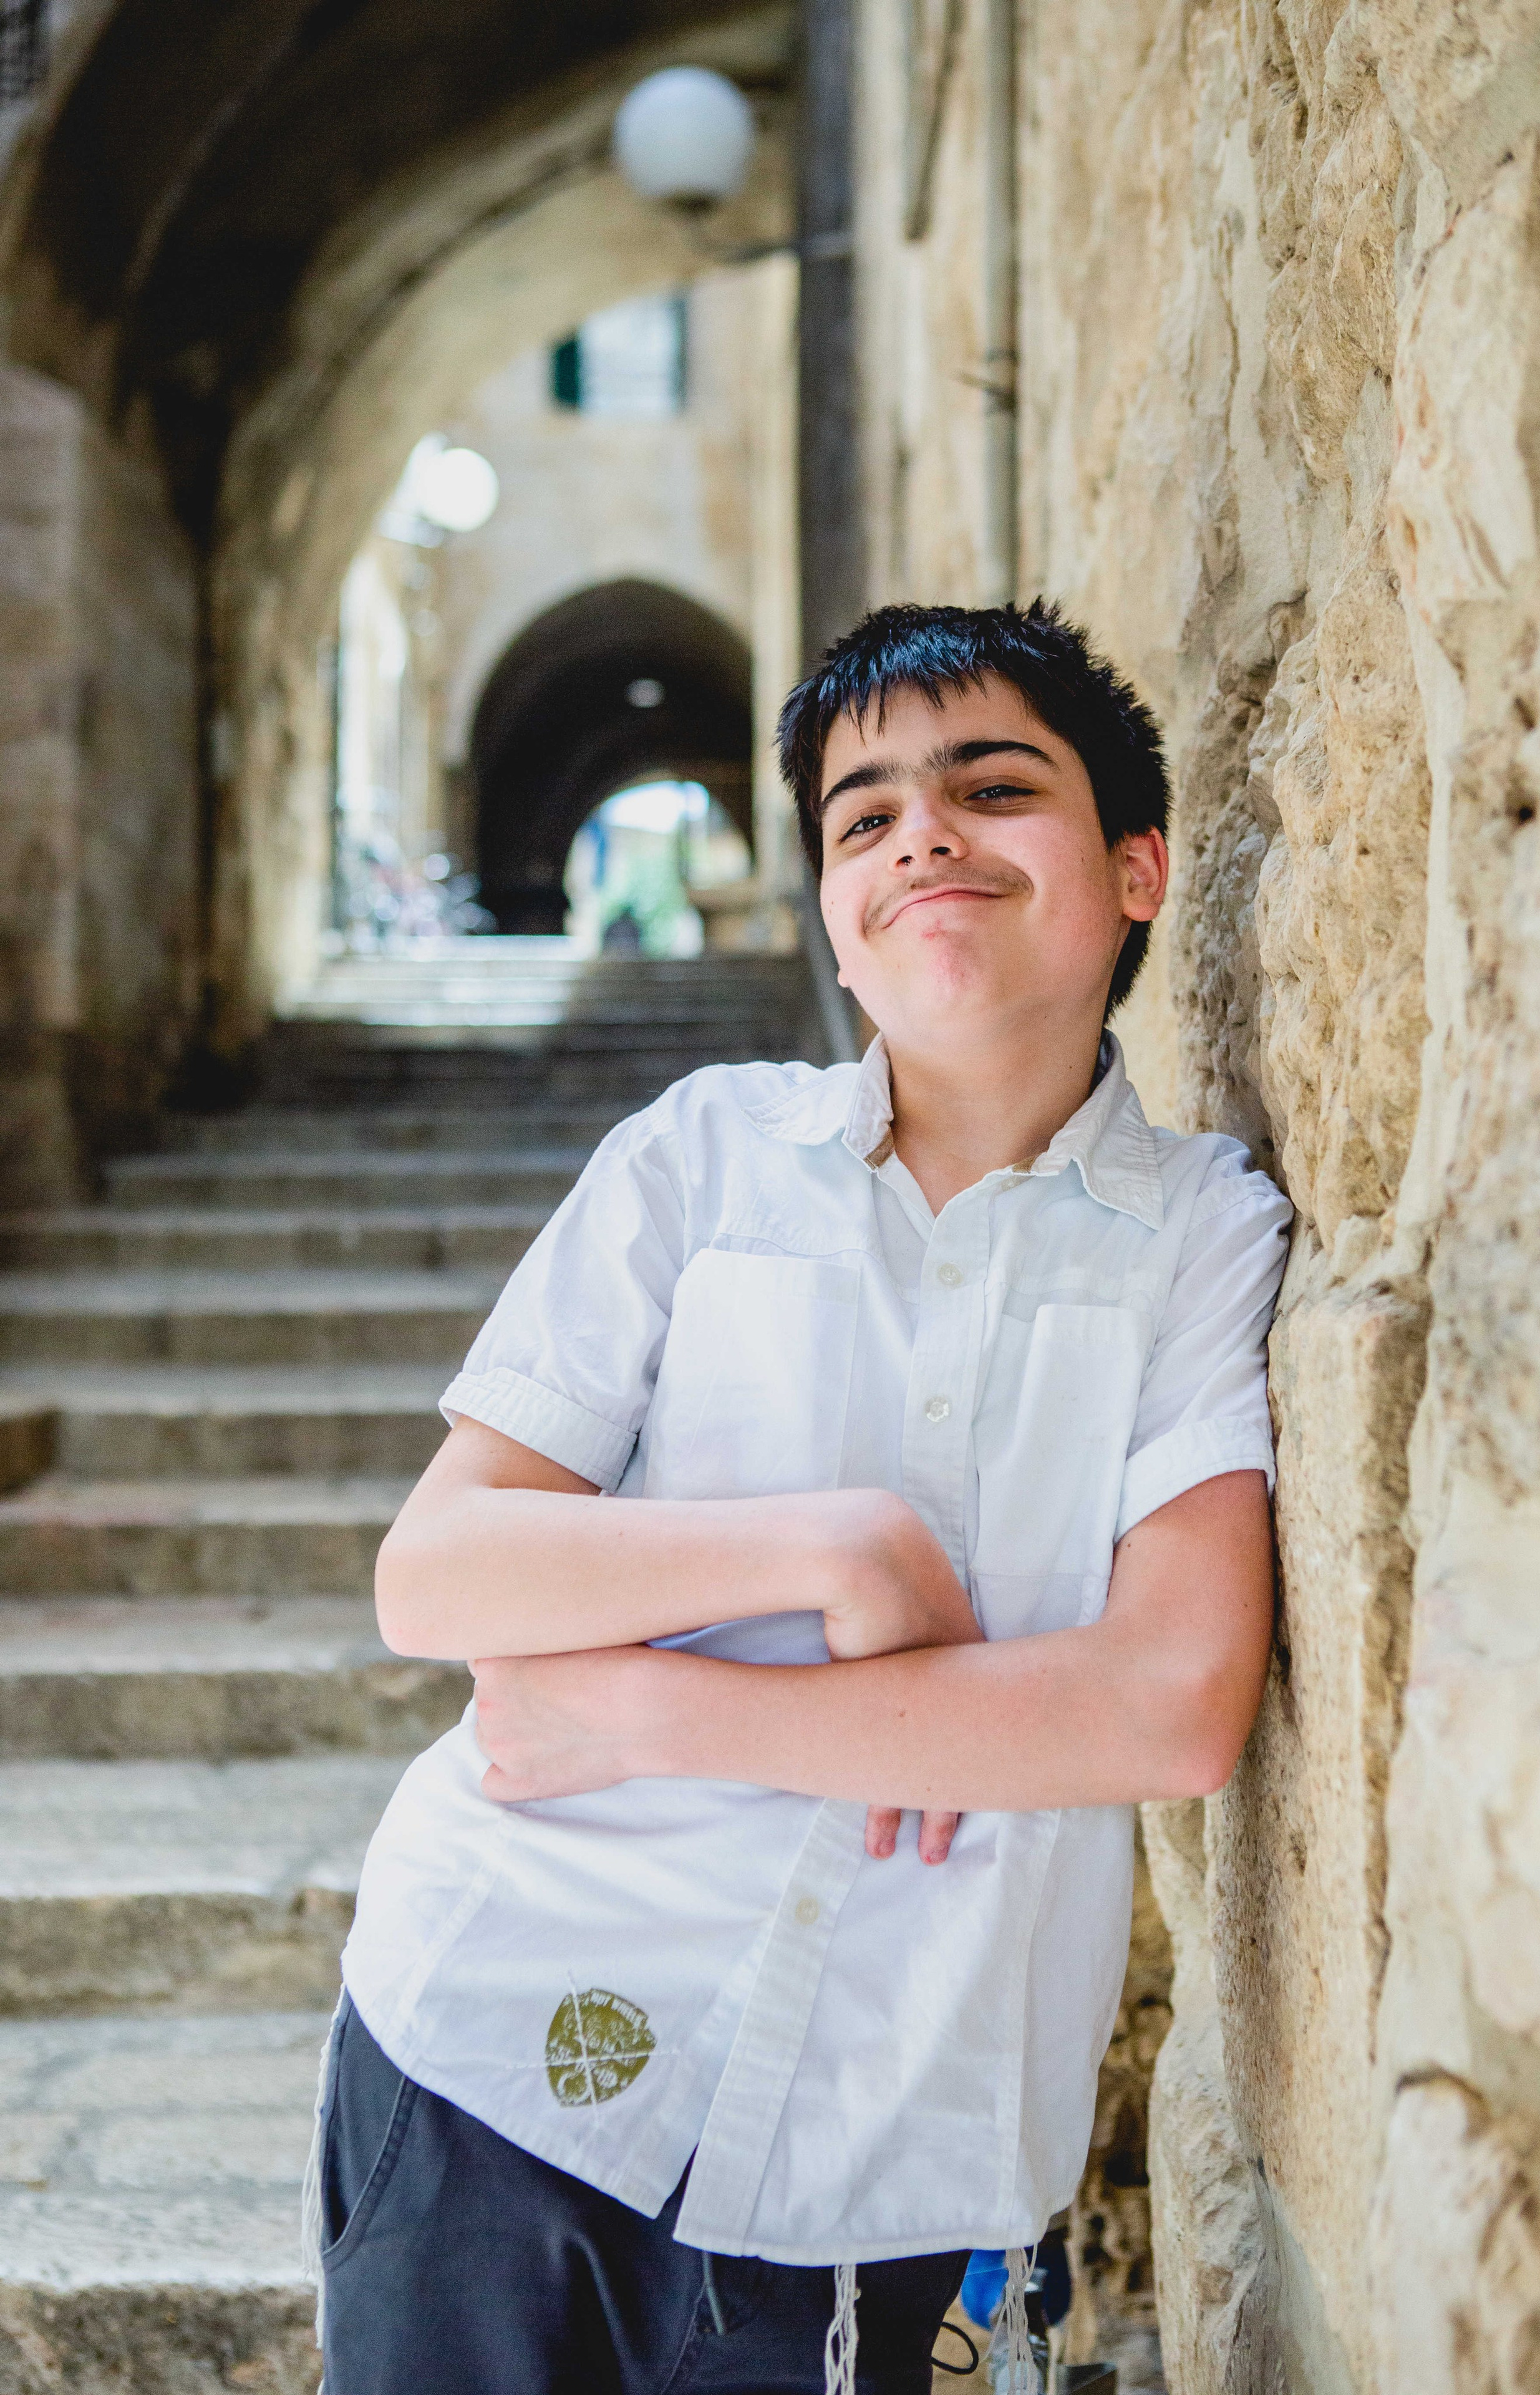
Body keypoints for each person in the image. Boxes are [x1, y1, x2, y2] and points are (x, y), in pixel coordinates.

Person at [310, 599, 1291, 2395]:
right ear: (840, 921)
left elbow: (1168, 1702)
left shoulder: (1208, 1237)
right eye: (863, 817)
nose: (922, 832)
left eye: (994, 787)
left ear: (1139, 868)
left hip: (885, 2141)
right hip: (498, 2042)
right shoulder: (699, 1159)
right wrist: (834, 1549)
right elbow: (440, 1571)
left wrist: (639, 1703)